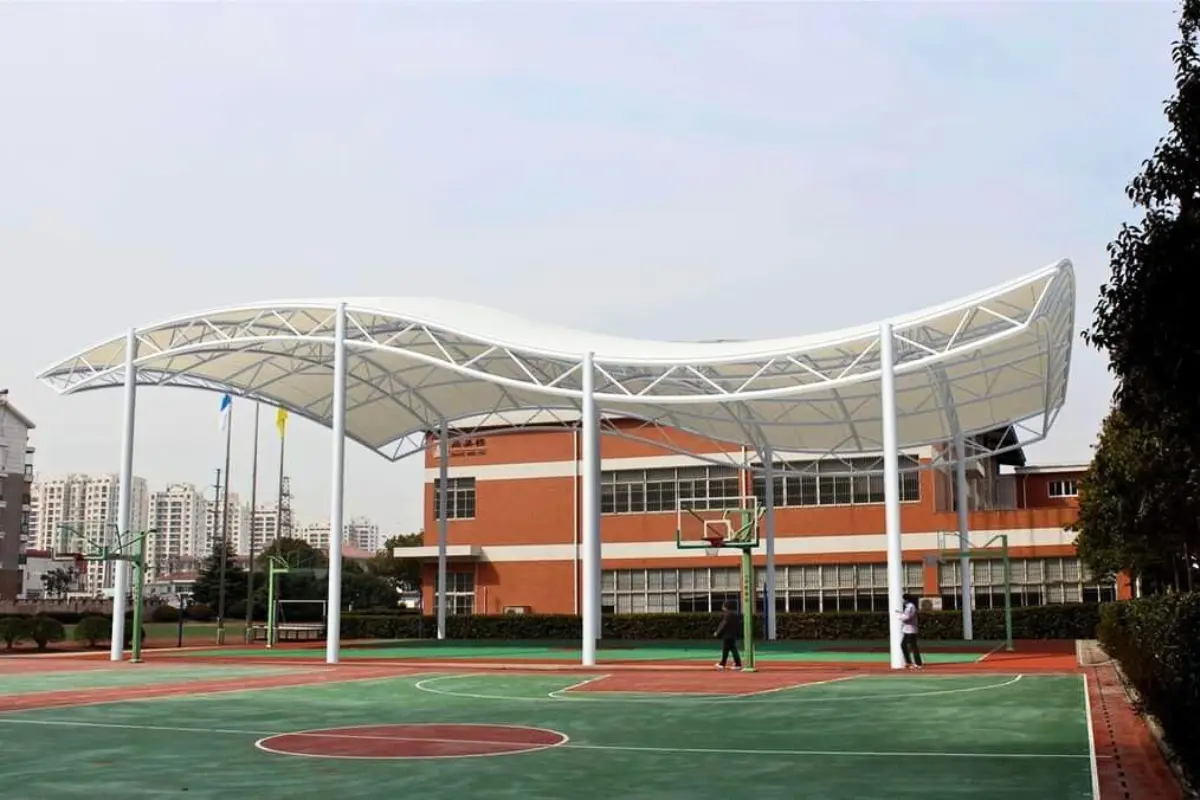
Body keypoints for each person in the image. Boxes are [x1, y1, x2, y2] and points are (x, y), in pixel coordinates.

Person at [896, 593, 924, 670]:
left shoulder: (910, 607)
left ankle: (914, 663)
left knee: (909, 646)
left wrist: (898, 616)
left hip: (911, 629)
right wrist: (901, 614)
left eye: (903, 599)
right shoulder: (909, 606)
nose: (903, 601)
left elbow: (907, 617)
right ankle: (913, 663)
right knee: (908, 645)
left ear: (906, 600)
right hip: (908, 629)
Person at [714, 600, 743, 670]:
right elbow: (738, 625)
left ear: (726, 607)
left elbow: (723, 624)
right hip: (732, 635)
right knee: (733, 649)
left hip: (727, 635)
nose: (722, 607)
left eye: (723, 605)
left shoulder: (728, 614)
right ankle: (737, 664)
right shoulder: (734, 614)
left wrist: (717, 632)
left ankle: (722, 664)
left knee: (725, 650)